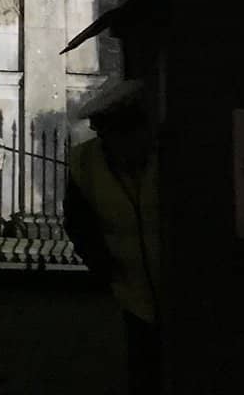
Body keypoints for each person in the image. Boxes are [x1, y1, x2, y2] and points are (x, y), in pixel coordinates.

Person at [64, 80, 160, 393]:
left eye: (114, 133)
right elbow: (78, 222)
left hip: (177, 288)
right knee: (144, 371)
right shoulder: (86, 162)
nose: (108, 143)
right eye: (102, 134)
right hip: (130, 289)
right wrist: (102, 265)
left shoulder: (164, 155)